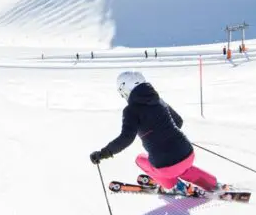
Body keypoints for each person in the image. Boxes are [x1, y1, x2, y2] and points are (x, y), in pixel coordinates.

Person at [89, 70, 217, 195]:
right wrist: (163, 130)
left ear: (125, 90)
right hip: (188, 153)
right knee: (181, 165)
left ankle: (173, 185)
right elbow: (178, 122)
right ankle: (212, 183)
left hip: (165, 166)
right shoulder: (158, 100)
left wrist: (102, 154)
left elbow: (126, 138)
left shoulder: (131, 110)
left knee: (140, 159)